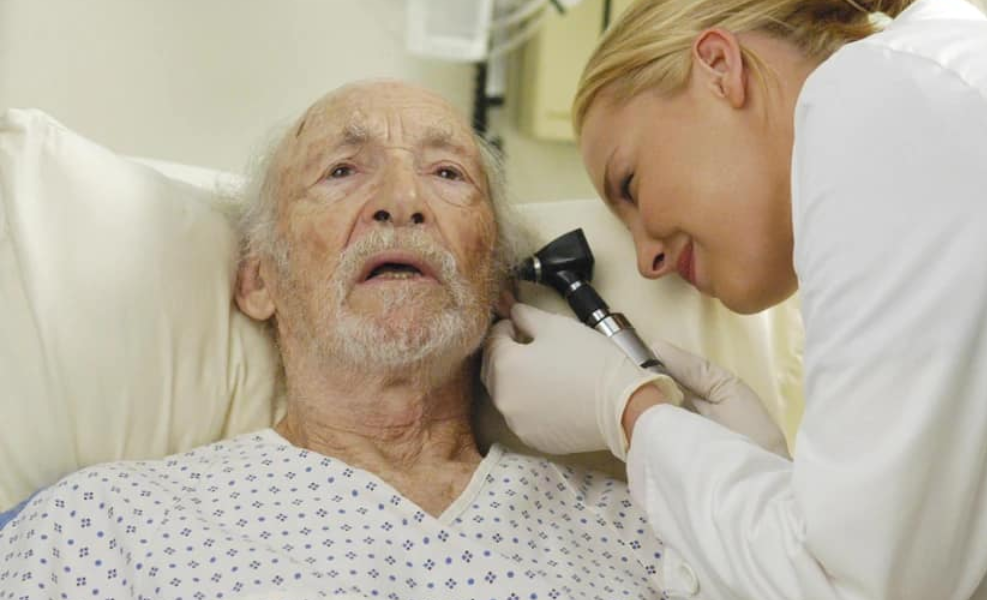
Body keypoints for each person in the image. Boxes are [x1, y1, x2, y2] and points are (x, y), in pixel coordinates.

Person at [482, 0, 987, 598]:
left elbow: (856, 583)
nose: (647, 257)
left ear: (717, 68)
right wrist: (777, 483)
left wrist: (634, 414)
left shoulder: (880, 98)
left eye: (630, 184)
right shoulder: (936, 81)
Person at [0, 79, 679, 600]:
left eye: (448, 174)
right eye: (342, 171)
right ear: (259, 280)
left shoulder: (650, 531)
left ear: (499, 284)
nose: (402, 200)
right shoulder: (103, 528)